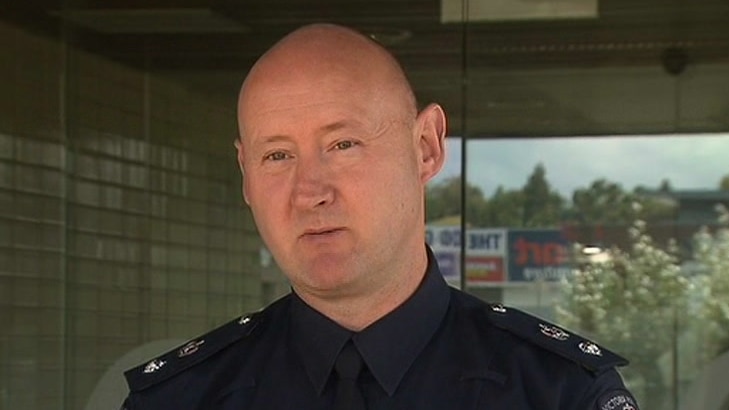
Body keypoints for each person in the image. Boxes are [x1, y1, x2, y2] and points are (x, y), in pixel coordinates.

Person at [120, 23, 639, 410]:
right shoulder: (179, 399)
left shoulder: (559, 393)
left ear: (426, 148)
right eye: (277, 155)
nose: (309, 192)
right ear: (244, 173)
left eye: (343, 144)